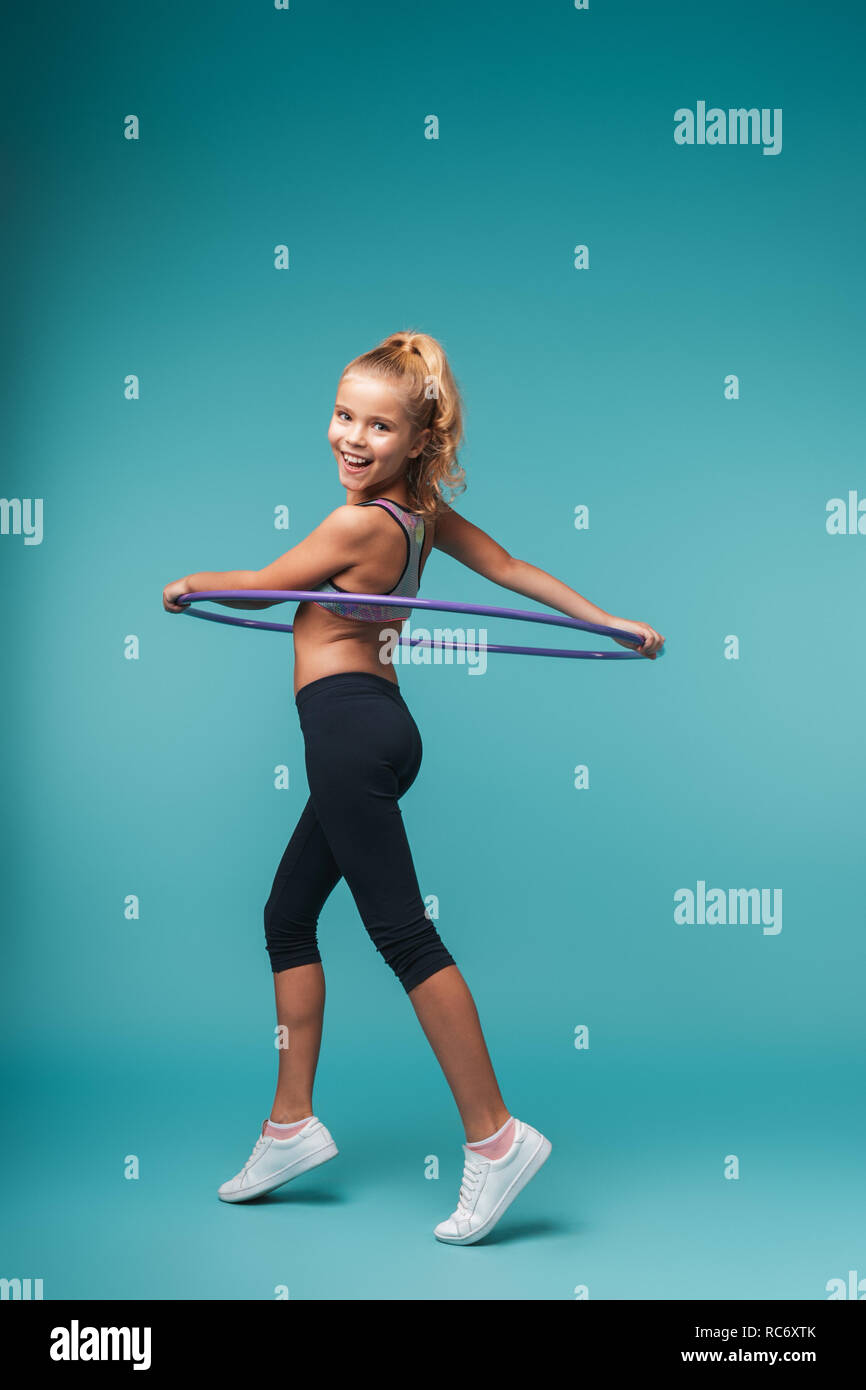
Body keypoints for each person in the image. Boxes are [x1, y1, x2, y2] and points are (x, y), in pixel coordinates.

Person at [162, 330, 664, 1245]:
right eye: (343, 415)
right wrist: (609, 622)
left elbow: (265, 588)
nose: (353, 438)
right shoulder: (420, 518)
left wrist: (192, 584)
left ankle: (496, 1137)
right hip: (381, 727)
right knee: (287, 916)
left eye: (379, 426)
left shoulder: (356, 525)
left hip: (348, 733)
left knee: (403, 936)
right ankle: (290, 1126)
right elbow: (511, 570)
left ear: (418, 440)